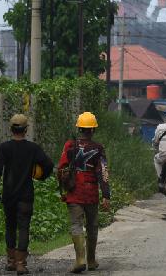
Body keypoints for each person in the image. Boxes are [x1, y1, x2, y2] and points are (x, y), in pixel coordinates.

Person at [0, 114, 54, 275]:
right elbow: (49, 164)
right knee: (24, 227)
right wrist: (40, 176)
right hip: (26, 196)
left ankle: (10, 262)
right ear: (26, 130)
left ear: (11, 129)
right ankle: (21, 264)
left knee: (10, 227)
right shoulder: (33, 148)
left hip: (9, 195)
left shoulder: (4, 148)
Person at [57, 112, 111, 273]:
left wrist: (62, 189)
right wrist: (106, 195)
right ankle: (92, 260)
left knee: (76, 224)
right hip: (91, 193)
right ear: (93, 130)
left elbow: (61, 169)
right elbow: (103, 173)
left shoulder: (69, 146)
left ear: (79, 128)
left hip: (74, 192)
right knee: (92, 226)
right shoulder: (98, 148)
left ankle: (80, 259)